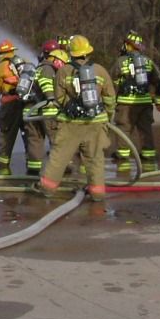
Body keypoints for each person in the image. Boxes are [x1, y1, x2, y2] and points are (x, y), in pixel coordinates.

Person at [36, 35, 116, 202]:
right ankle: (97, 193)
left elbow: (58, 98)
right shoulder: (100, 70)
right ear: (87, 53)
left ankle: (47, 189)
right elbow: (110, 98)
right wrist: (107, 116)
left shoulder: (64, 71)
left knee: (59, 157)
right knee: (95, 160)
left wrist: (70, 107)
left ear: (71, 53)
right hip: (95, 123)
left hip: (70, 124)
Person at [110, 30, 160, 171]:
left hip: (125, 103)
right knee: (146, 129)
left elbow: (111, 82)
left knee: (124, 128)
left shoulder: (120, 62)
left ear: (129, 46)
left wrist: (111, 101)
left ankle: (122, 155)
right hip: (145, 103)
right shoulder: (148, 61)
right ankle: (148, 154)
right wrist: (158, 101)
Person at [22, 39, 64, 175]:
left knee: (35, 140)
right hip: (47, 111)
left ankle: (34, 169)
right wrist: (51, 98)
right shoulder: (47, 68)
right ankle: (59, 168)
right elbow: (46, 84)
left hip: (31, 112)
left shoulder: (38, 68)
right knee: (56, 139)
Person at [0, 39, 25, 175]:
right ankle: (32, 164)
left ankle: (3, 163)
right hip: (26, 102)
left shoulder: (2, 66)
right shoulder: (23, 62)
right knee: (27, 134)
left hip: (9, 103)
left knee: (6, 131)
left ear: (2, 53)